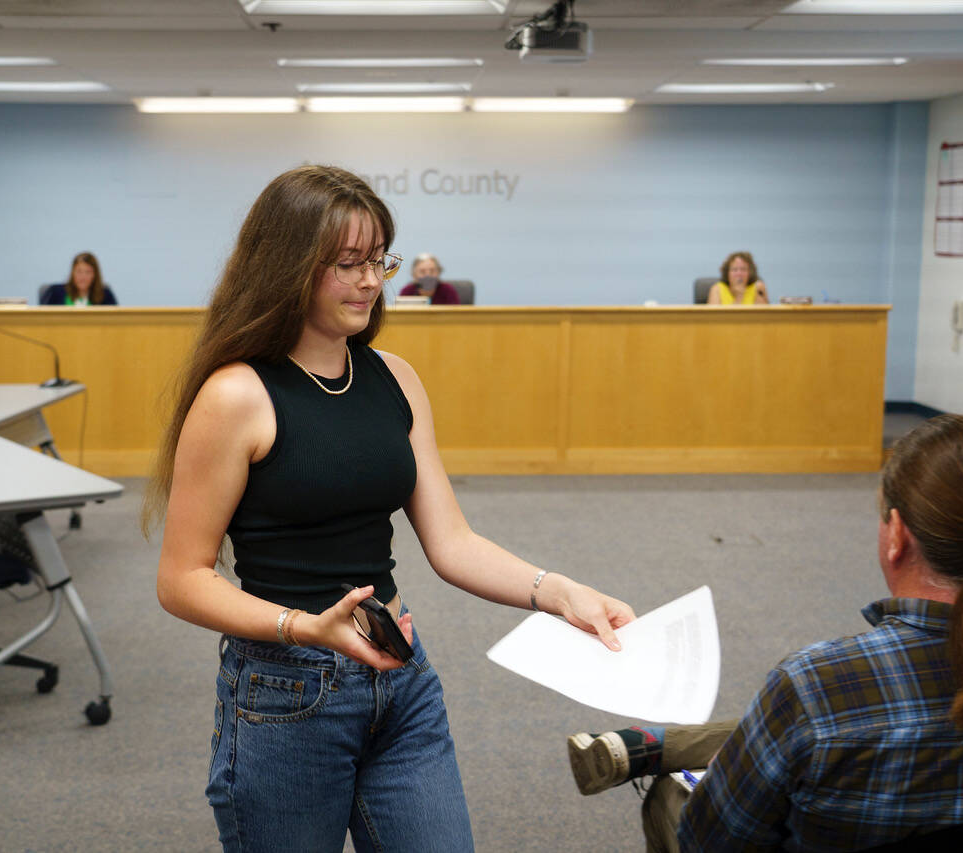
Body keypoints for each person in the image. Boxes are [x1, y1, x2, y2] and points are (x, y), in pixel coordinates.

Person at [143, 165, 634, 852]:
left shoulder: (395, 378)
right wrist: (304, 627)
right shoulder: (237, 396)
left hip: (401, 677)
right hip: (287, 690)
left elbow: (452, 541)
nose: (371, 281)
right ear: (288, 266)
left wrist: (558, 592)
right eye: (348, 263)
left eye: (379, 260)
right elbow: (182, 578)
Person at [567, 414, 963, 851]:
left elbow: (710, 841)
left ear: (896, 535)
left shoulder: (817, 685)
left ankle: (660, 755)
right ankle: (662, 746)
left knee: (672, 794)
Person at [40, 251, 118, 305]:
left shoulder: (105, 295)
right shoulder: (55, 293)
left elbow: (115, 320)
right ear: (72, 273)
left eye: (88, 272)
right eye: (79, 271)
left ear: (95, 275)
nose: (83, 277)